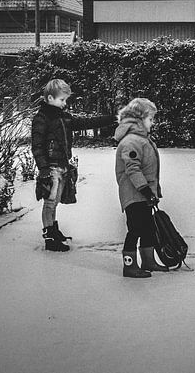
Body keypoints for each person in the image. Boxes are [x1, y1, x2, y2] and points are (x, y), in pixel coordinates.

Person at [31, 78, 115, 252]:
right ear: (49, 98)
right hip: (51, 167)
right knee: (50, 202)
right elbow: (37, 146)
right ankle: (49, 237)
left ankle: (54, 230)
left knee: (55, 202)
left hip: (61, 164)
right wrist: (43, 168)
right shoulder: (41, 118)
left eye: (65, 100)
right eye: (62, 100)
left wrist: (111, 119)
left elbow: (85, 123)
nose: (64, 103)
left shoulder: (63, 117)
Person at [114, 97, 168, 278]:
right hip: (134, 194)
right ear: (139, 119)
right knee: (135, 228)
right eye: (150, 119)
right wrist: (145, 189)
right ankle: (129, 265)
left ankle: (148, 261)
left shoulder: (141, 139)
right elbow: (132, 168)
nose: (153, 122)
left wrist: (152, 191)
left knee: (148, 228)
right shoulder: (131, 141)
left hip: (143, 194)